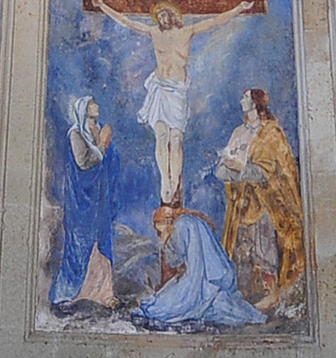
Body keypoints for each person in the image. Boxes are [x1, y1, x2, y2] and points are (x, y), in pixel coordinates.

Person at [84, 0, 260, 203]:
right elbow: (127, 22)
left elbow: (214, 22)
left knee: (176, 139)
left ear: (173, 16)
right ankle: (164, 181)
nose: (162, 19)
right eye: (159, 16)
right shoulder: (154, 32)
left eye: (165, 14)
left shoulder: (187, 31)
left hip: (177, 90)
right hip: (160, 87)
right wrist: (103, 6)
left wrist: (239, 8)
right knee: (161, 136)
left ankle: (175, 180)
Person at [213, 88, 304, 313]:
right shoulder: (238, 132)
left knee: (264, 248)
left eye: (245, 97)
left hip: (266, 202)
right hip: (242, 203)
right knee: (243, 250)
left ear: (255, 102)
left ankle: (272, 293)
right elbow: (221, 169)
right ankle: (246, 293)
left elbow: (271, 171)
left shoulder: (271, 133)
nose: (241, 100)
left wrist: (240, 169)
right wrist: (236, 170)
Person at [52, 94, 133, 309]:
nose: (96, 105)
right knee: (81, 243)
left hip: (100, 198)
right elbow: (83, 163)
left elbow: (110, 161)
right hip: (82, 201)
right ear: (83, 111)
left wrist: (106, 145)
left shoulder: (97, 130)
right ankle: (72, 291)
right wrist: (103, 145)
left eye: (95, 102)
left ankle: (104, 293)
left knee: (102, 241)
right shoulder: (76, 134)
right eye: (91, 104)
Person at [137, 196, 265, 329]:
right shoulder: (193, 221)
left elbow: (174, 260)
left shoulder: (180, 226)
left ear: (166, 221)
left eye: (159, 229)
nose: (159, 233)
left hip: (199, 280)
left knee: (161, 307)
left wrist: (165, 241)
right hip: (217, 276)